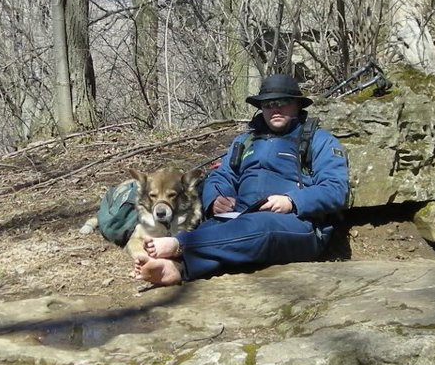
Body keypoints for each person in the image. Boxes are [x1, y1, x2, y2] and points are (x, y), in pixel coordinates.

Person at [134, 74, 350, 285]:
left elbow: (336, 189)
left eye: (282, 102)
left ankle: (179, 246)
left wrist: (291, 201)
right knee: (217, 228)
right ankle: (176, 268)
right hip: (240, 217)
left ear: (297, 105)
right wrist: (216, 198)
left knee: (260, 227)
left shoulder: (317, 139)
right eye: (268, 104)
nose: (275, 109)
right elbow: (221, 175)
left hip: (296, 223)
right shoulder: (245, 141)